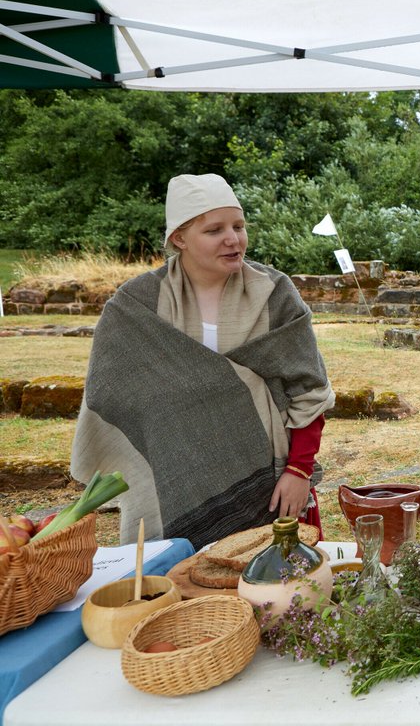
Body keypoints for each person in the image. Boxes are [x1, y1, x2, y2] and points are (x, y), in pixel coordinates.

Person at [71, 174, 335, 549]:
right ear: (179, 238)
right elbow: (109, 392)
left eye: (239, 226)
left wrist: (299, 470)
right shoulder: (138, 305)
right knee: (182, 595)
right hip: (174, 481)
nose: (233, 239)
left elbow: (309, 390)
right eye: (215, 230)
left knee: (279, 594)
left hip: (274, 483)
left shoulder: (273, 293)